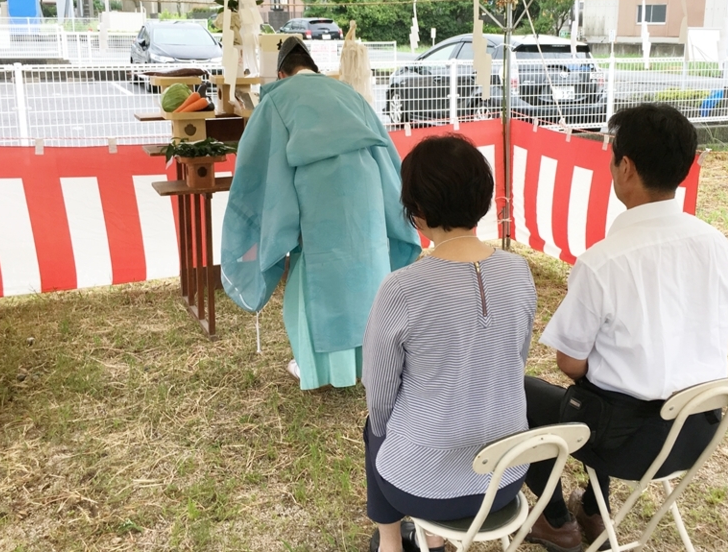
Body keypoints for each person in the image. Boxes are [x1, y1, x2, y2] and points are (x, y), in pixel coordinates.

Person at [523, 103, 728, 552]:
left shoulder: (603, 261)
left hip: (628, 443)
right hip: (698, 430)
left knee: (521, 391)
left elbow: (570, 363)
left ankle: (556, 519)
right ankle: (595, 511)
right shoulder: (717, 245)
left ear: (626, 167)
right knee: (608, 388)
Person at [362, 135, 536, 552]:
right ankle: (432, 538)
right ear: (484, 197)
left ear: (416, 211)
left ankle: (391, 542)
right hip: (507, 475)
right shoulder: (519, 271)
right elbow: (517, 361)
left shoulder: (402, 287)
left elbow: (380, 395)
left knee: (376, 428)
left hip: (422, 486)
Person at [221, 37, 421, 390]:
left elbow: (260, 172)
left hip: (316, 204)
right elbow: (388, 161)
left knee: (312, 285)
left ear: (282, 73)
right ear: (312, 68)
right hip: (367, 203)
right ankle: (368, 367)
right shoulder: (349, 96)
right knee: (367, 279)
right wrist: (394, 214)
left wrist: (276, 221)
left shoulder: (277, 101)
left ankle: (319, 374)